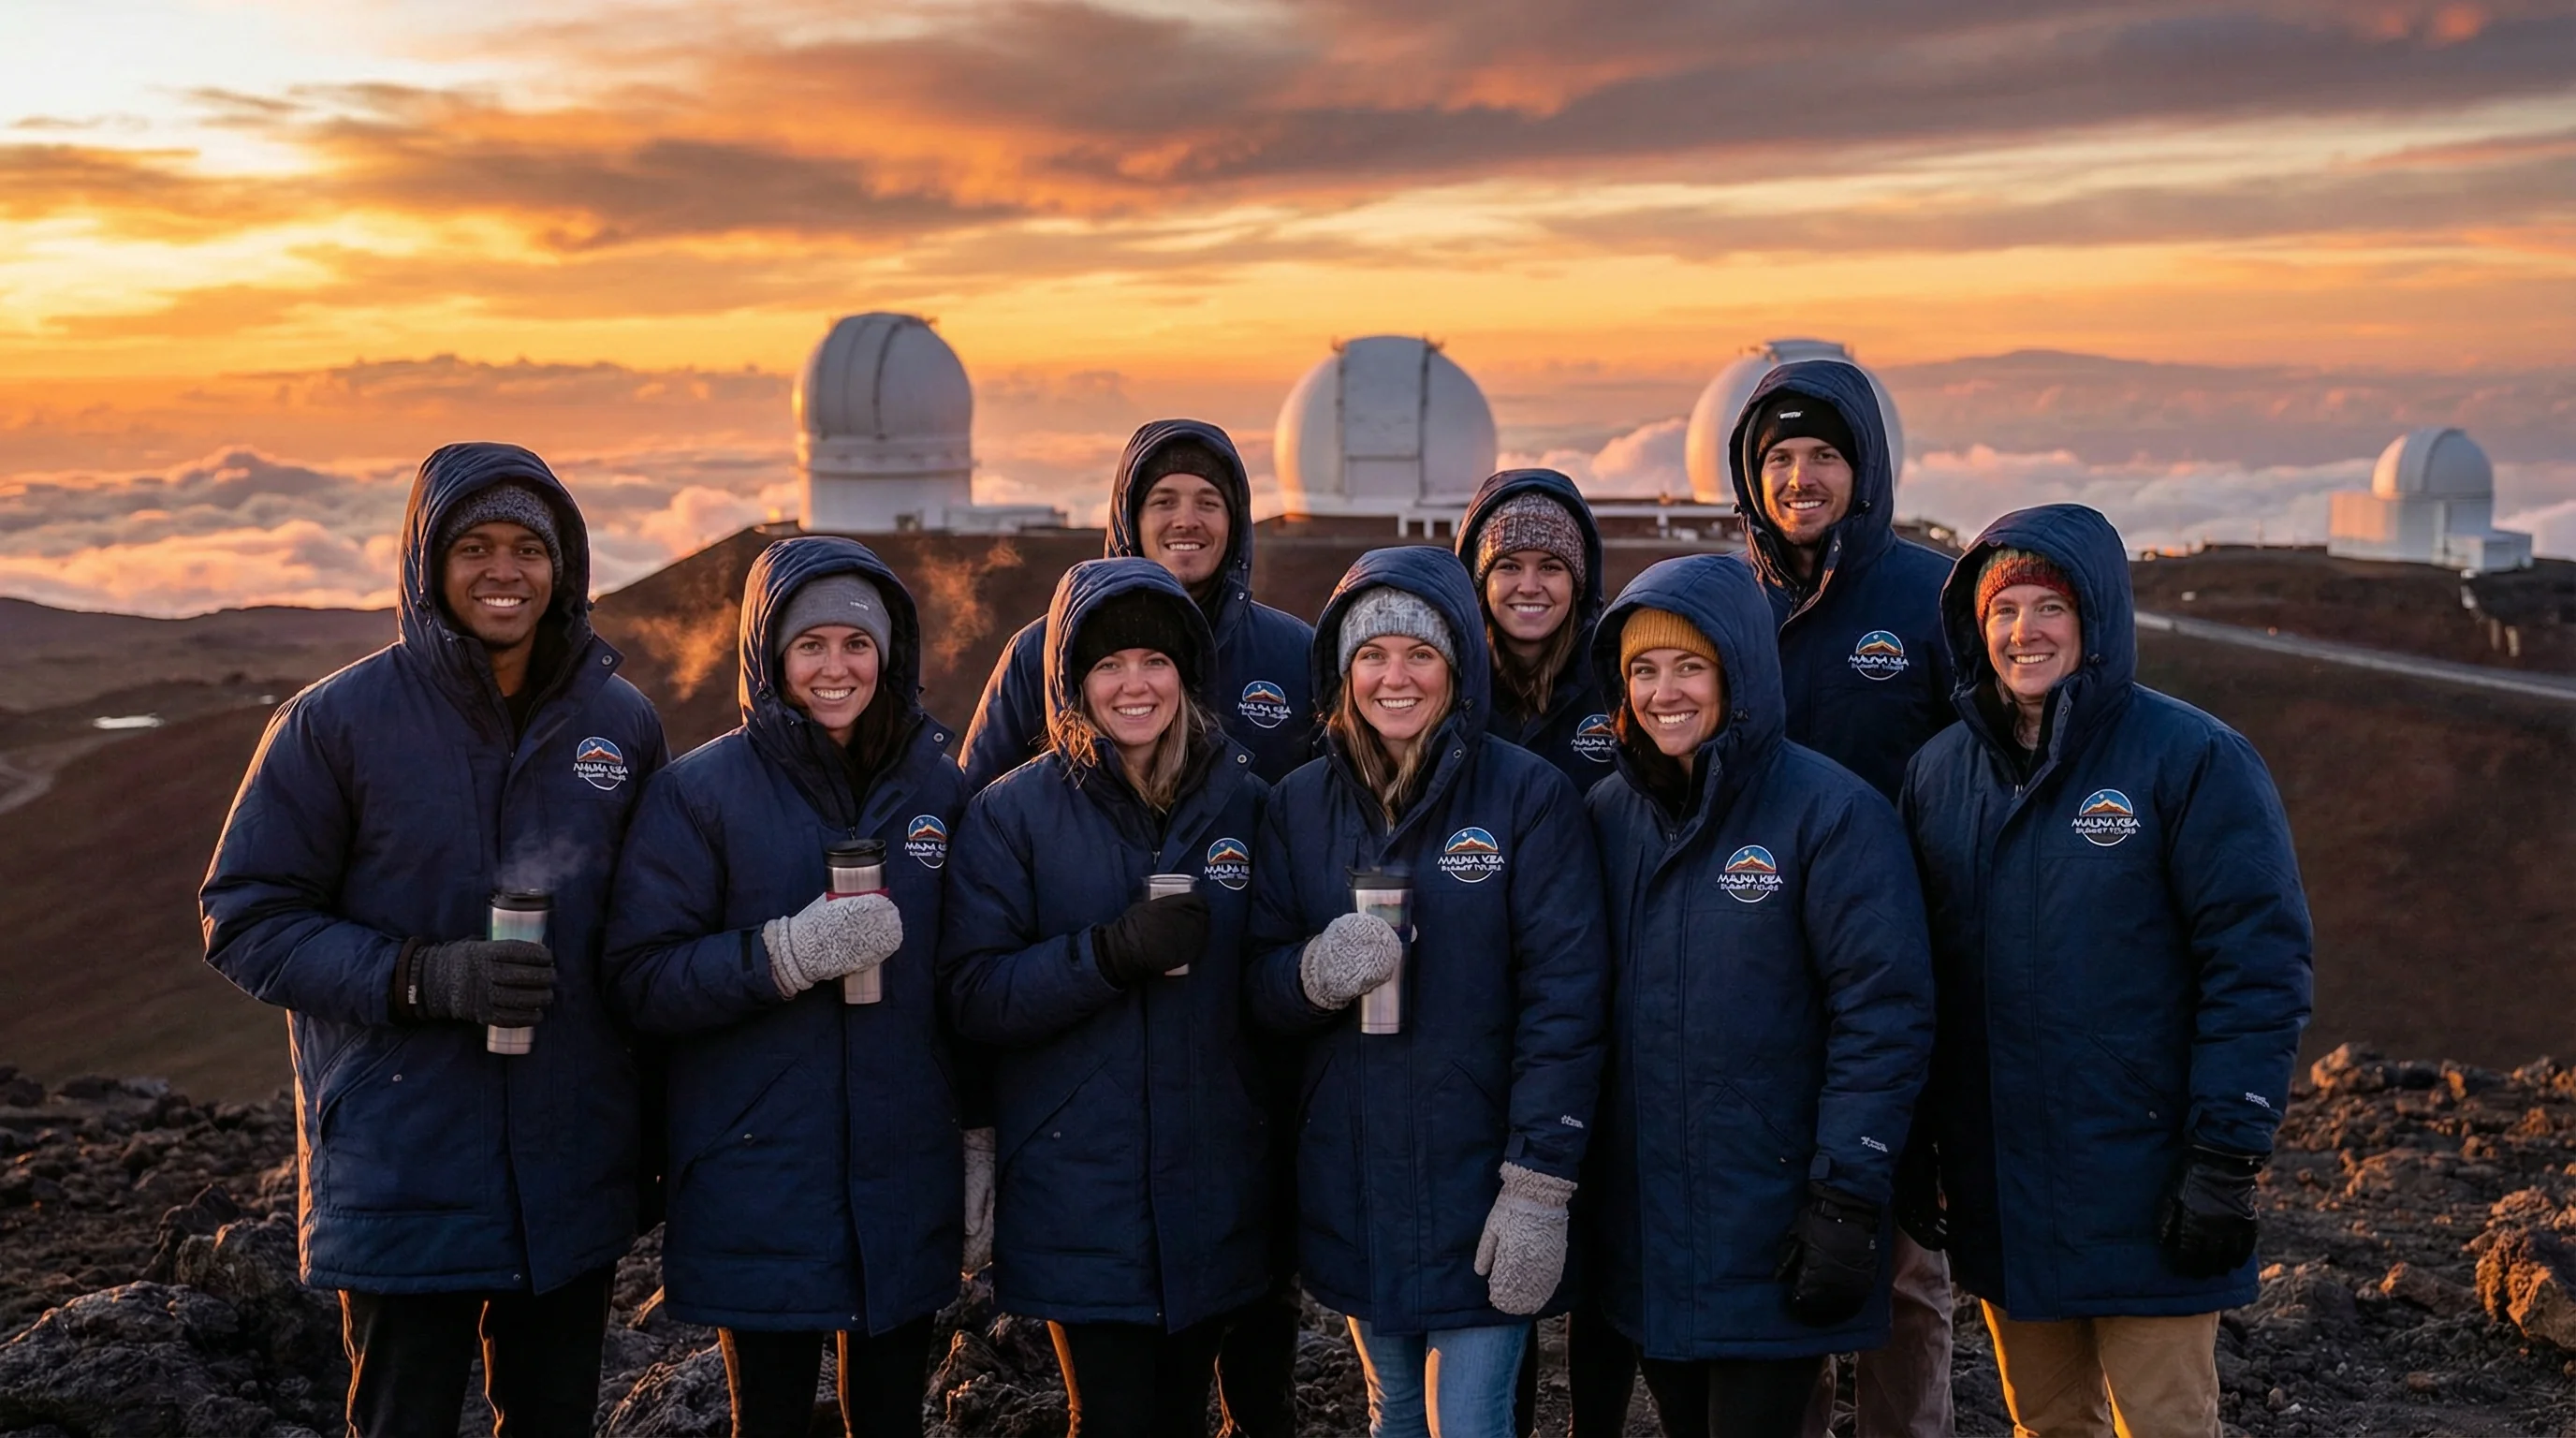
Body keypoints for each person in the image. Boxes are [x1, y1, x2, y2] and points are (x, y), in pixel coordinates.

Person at [201, 443, 667, 1438]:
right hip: (406, 1162)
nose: (505, 571)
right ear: (427, 565)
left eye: (528, 549)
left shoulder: (618, 723)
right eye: (475, 548)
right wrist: (421, 977)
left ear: (565, 565)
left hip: (569, 1164)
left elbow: (650, 930)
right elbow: (246, 918)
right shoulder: (334, 724)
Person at [1904, 505, 2313, 1438]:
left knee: (2164, 1425)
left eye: (2049, 606)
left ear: (2097, 618)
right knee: (2046, 1425)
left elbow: (2257, 966)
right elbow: (1919, 979)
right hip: (2005, 1186)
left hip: (2151, 1184)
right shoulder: (1938, 776)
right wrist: (1917, 1145)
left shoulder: (2191, 759)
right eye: (2001, 610)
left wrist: (2225, 1159)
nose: (2023, 631)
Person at [960, 418, 1314, 1434]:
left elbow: (1278, 953)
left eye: (1154, 663)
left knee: (1232, 1400)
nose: (1133, 684)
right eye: (1107, 665)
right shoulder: (1016, 810)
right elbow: (976, 980)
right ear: (1071, 678)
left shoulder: (1246, 798)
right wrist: (1106, 955)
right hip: (1082, 1174)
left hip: (1224, 1166)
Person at [603, 536, 971, 1437]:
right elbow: (640, 979)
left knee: (890, 1419)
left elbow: (968, 982)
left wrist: (981, 1135)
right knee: (766, 1417)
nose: (835, 667)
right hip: (758, 1169)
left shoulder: (940, 788)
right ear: (771, 658)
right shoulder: (699, 793)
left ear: (890, 654)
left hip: (903, 1170)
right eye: (811, 646)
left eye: (857, 644)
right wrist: (784, 955)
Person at [1246, 546, 1608, 1438]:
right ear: (1343, 669)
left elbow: (1566, 1001)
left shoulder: (1527, 798)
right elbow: (1256, 989)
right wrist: (1311, 973)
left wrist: (1538, 1188)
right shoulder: (1297, 805)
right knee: (1394, 1409)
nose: (1393, 677)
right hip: (1356, 1173)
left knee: (1474, 1420)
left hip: (1482, 1176)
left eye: (1420, 655)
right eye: (1372, 655)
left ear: (1458, 670)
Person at [1581, 553, 1935, 1438]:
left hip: (1774, 1221)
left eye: (1690, 666)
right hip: (1652, 1229)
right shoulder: (1607, 817)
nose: (1665, 692)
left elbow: (1882, 1012)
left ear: (1739, 671)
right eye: (1644, 670)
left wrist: (1847, 1194)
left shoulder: (1831, 815)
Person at [1722, 360, 1960, 1438]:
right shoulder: (1729, 603)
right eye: (1779, 457)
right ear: (1749, 474)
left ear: (1863, 469)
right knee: (1793, 1237)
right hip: (1764, 971)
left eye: (1823, 454)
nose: (1801, 476)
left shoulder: (1929, 600)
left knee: (1905, 1262)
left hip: (1900, 969)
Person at [960, 419, 1316, 789]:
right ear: (1131, 518)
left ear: (1235, 522)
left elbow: (1333, 807)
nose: (1186, 521)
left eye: (1208, 503)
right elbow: (981, 812)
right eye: (1164, 502)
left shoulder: (1291, 651)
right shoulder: (1043, 653)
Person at [1454, 468, 1614, 788]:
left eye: (1550, 567)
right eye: (1510, 566)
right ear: (1481, 584)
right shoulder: (1448, 686)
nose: (1529, 586)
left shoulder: (1616, 682)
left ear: (1578, 585)